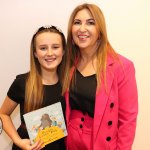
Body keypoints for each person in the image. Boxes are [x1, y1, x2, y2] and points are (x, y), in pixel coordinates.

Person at [62, 3, 138, 150]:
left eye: (90, 23)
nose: (82, 29)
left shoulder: (122, 66)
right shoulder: (67, 63)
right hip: (69, 140)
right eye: (77, 23)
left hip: (101, 142)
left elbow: (128, 120)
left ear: (100, 30)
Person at [0, 25, 67, 150]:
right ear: (35, 53)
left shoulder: (69, 83)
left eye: (55, 47)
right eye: (43, 48)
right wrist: (18, 141)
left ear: (63, 51)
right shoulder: (22, 82)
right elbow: (3, 114)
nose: (50, 53)